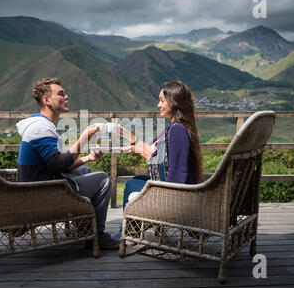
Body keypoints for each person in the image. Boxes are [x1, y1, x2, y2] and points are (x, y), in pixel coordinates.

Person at [16, 77, 120, 249]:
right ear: (46, 100)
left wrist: (88, 157)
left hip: (42, 184)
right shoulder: (40, 128)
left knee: (86, 169)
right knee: (104, 180)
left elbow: (57, 164)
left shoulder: (41, 125)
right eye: (61, 94)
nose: (66, 96)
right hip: (43, 194)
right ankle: (97, 235)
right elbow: (58, 165)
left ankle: (85, 229)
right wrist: (84, 138)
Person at [112, 80, 204, 239]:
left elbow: (178, 172)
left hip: (174, 194)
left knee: (132, 184)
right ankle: (130, 230)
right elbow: (152, 148)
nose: (158, 104)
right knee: (137, 180)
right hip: (169, 185)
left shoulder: (177, 130)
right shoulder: (173, 127)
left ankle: (129, 233)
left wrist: (145, 154)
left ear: (174, 102)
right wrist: (129, 137)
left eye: (162, 100)